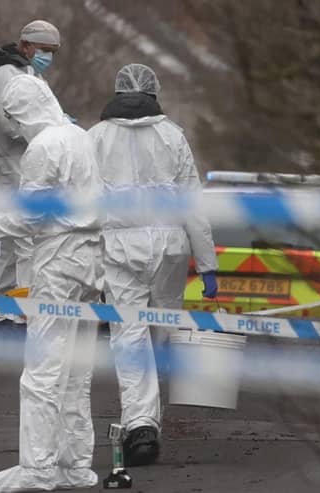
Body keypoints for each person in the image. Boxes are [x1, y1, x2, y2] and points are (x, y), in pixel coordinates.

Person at [88, 63, 218, 466]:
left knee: (129, 335)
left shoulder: (94, 138)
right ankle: (145, 421)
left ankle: (141, 421)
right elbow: (192, 202)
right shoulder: (172, 136)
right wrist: (208, 262)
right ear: (154, 92)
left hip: (119, 248)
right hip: (169, 248)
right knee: (161, 329)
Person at [0, 74, 103, 492]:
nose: (12, 128)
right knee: (77, 370)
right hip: (91, 258)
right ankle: (75, 465)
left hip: (59, 258)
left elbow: (30, 217)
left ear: (17, 114)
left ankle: (37, 470)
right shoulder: (80, 136)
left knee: (42, 371)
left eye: (11, 119)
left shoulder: (43, 148)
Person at [0, 20, 61, 316]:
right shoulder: (5, 73)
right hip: (9, 166)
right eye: (44, 50)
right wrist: (47, 130)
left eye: (52, 51)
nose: (47, 57)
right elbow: (9, 122)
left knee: (15, 248)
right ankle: (24, 313)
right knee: (25, 241)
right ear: (25, 45)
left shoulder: (30, 73)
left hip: (25, 164)